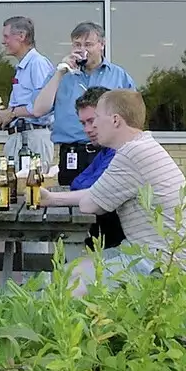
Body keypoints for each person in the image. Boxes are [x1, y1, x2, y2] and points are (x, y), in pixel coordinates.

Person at [40, 88, 186, 295]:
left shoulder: (131, 154)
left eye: (96, 118)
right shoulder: (142, 145)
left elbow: (90, 204)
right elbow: (96, 192)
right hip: (152, 252)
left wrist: (54, 199)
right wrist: (51, 198)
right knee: (70, 270)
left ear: (115, 120)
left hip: (162, 263)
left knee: (72, 285)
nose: (93, 126)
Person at [31, 22, 135, 186]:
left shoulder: (119, 76)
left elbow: (133, 118)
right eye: (77, 44)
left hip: (107, 152)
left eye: (88, 44)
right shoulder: (61, 74)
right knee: (70, 205)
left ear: (102, 45)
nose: (82, 49)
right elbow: (38, 110)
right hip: (72, 154)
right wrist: (60, 72)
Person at [0, 16, 55, 165]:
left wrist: (12, 112)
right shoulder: (22, 67)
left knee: (32, 186)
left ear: (21, 36)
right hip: (21, 138)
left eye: (6, 36)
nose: (3, 41)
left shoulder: (37, 64)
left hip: (34, 138)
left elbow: (44, 105)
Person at [68, 86, 124, 249]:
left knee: (69, 269)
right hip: (119, 243)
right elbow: (77, 184)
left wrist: (50, 199)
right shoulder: (106, 149)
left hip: (139, 252)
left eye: (92, 121)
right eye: (83, 123)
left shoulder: (121, 151)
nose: (87, 129)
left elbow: (92, 190)